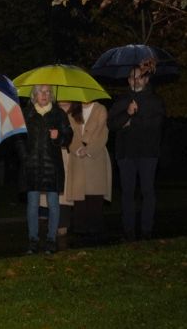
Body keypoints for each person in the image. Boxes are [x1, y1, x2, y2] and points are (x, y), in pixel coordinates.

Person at [109, 61, 166, 241]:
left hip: (148, 152)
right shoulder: (122, 101)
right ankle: (128, 231)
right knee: (127, 193)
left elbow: (155, 124)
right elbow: (111, 124)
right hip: (125, 153)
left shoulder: (156, 101)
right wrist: (126, 113)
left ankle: (147, 230)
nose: (136, 80)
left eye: (140, 77)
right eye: (133, 77)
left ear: (146, 79)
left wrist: (132, 120)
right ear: (128, 80)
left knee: (147, 192)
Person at [19, 85, 73, 254]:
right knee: (32, 204)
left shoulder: (59, 114)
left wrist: (59, 137)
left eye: (47, 91)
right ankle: (33, 240)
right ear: (34, 95)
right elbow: (18, 138)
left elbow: (68, 136)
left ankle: (51, 240)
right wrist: (25, 157)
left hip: (52, 165)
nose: (44, 94)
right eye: (40, 91)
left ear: (51, 95)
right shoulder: (26, 113)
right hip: (32, 165)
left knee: (53, 204)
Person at [61, 99, 111, 245]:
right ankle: (80, 231)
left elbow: (102, 133)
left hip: (95, 157)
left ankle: (94, 230)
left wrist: (88, 149)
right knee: (79, 195)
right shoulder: (73, 111)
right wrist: (77, 148)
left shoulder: (100, 109)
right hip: (77, 157)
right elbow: (70, 133)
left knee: (95, 194)